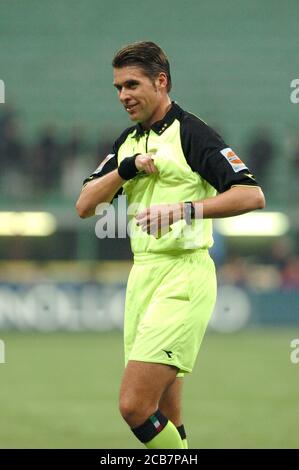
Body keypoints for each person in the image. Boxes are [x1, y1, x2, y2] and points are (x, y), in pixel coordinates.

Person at [76, 41, 265, 449]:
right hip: (143, 277)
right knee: (169, 415)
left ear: (161, 82)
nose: (123, 95)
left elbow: (251, 195)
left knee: (134, 405)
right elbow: (85, 204)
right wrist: (125, 170)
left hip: (184, 274)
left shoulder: (192, 133)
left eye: (131, 84)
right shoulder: (127, 142)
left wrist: (184, 210)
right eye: (117, 88)